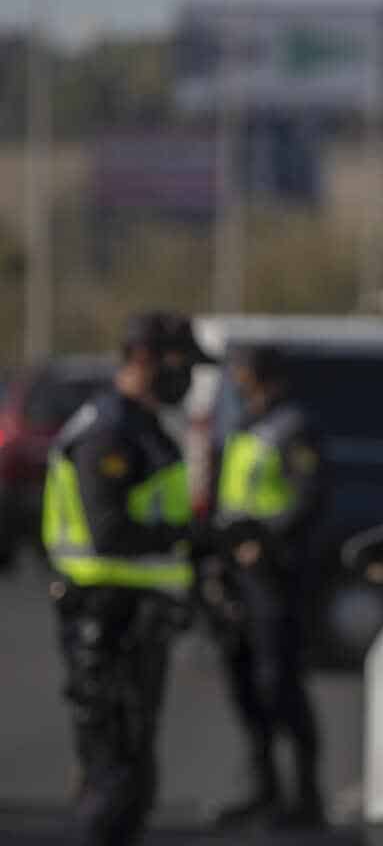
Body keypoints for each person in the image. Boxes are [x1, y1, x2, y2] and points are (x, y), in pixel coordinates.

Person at [42, 311, 208, 846]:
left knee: (132, 776)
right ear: (144, 360)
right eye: (181, 365)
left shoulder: (142, 424)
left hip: (134, 615)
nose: (188, 379)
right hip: (106, 618)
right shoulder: (110, 430)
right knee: (113, 778)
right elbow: (108, 530)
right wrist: (187, 538)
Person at [208, 345, 326, 829]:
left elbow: (308, 496)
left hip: (275, 574)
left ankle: (305, 796)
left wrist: (267, 541)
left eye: (246, 375)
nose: (238, 383)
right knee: (243, 684)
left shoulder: (294, 428)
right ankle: (265, 789)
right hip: (235, 572)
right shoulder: (245, 427)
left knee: (280, 684)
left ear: (268, 379)